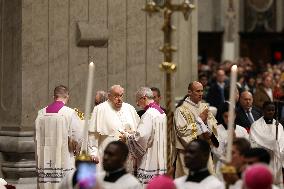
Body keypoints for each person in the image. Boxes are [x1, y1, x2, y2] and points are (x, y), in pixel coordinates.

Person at [35, 85, 83, 189]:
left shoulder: (41, 113)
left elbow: (36, 137)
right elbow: (78, 136)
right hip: (64, 156)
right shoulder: (69, 113)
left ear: (54, 97)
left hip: (45, 158)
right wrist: (76, 149)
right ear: (67, 96)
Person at [120, 87, 167, 186]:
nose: (137, 104)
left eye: (138, 100)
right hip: (161, 156)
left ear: (144, 98)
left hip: (150, 158)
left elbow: (141, 138)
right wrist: (134, 133)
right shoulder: (161, 112)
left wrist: (127, 137)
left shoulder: (149, 114)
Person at [174, 81, 219, 177]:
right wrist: (199, 121)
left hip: (204, 153)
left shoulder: (204, 107)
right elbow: (182, 132)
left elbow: (213, 126)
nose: (201, 94)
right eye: (198, 91)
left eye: (202, 91)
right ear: (189, 92)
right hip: (188, 155)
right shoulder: (181, 110)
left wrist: (208, 129)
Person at [88, 85, 140, 168]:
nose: (119, 99)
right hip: (106, 153)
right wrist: (93, 153)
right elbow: (93, 135)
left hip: (127, 155)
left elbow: (138, 130)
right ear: (109, 96)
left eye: (121, 95)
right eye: (116, 96)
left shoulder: (130, 108)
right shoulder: (100, 109)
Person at [249, 101, 284, 187]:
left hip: (276, 160)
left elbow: (282, 142)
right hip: (263, 159)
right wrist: (271, 145)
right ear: (263, 110)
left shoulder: (279, 126)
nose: (271, 112)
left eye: (273, 110)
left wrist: (279, 149)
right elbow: (253, 143)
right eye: (268, 110)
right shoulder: (256, 125)